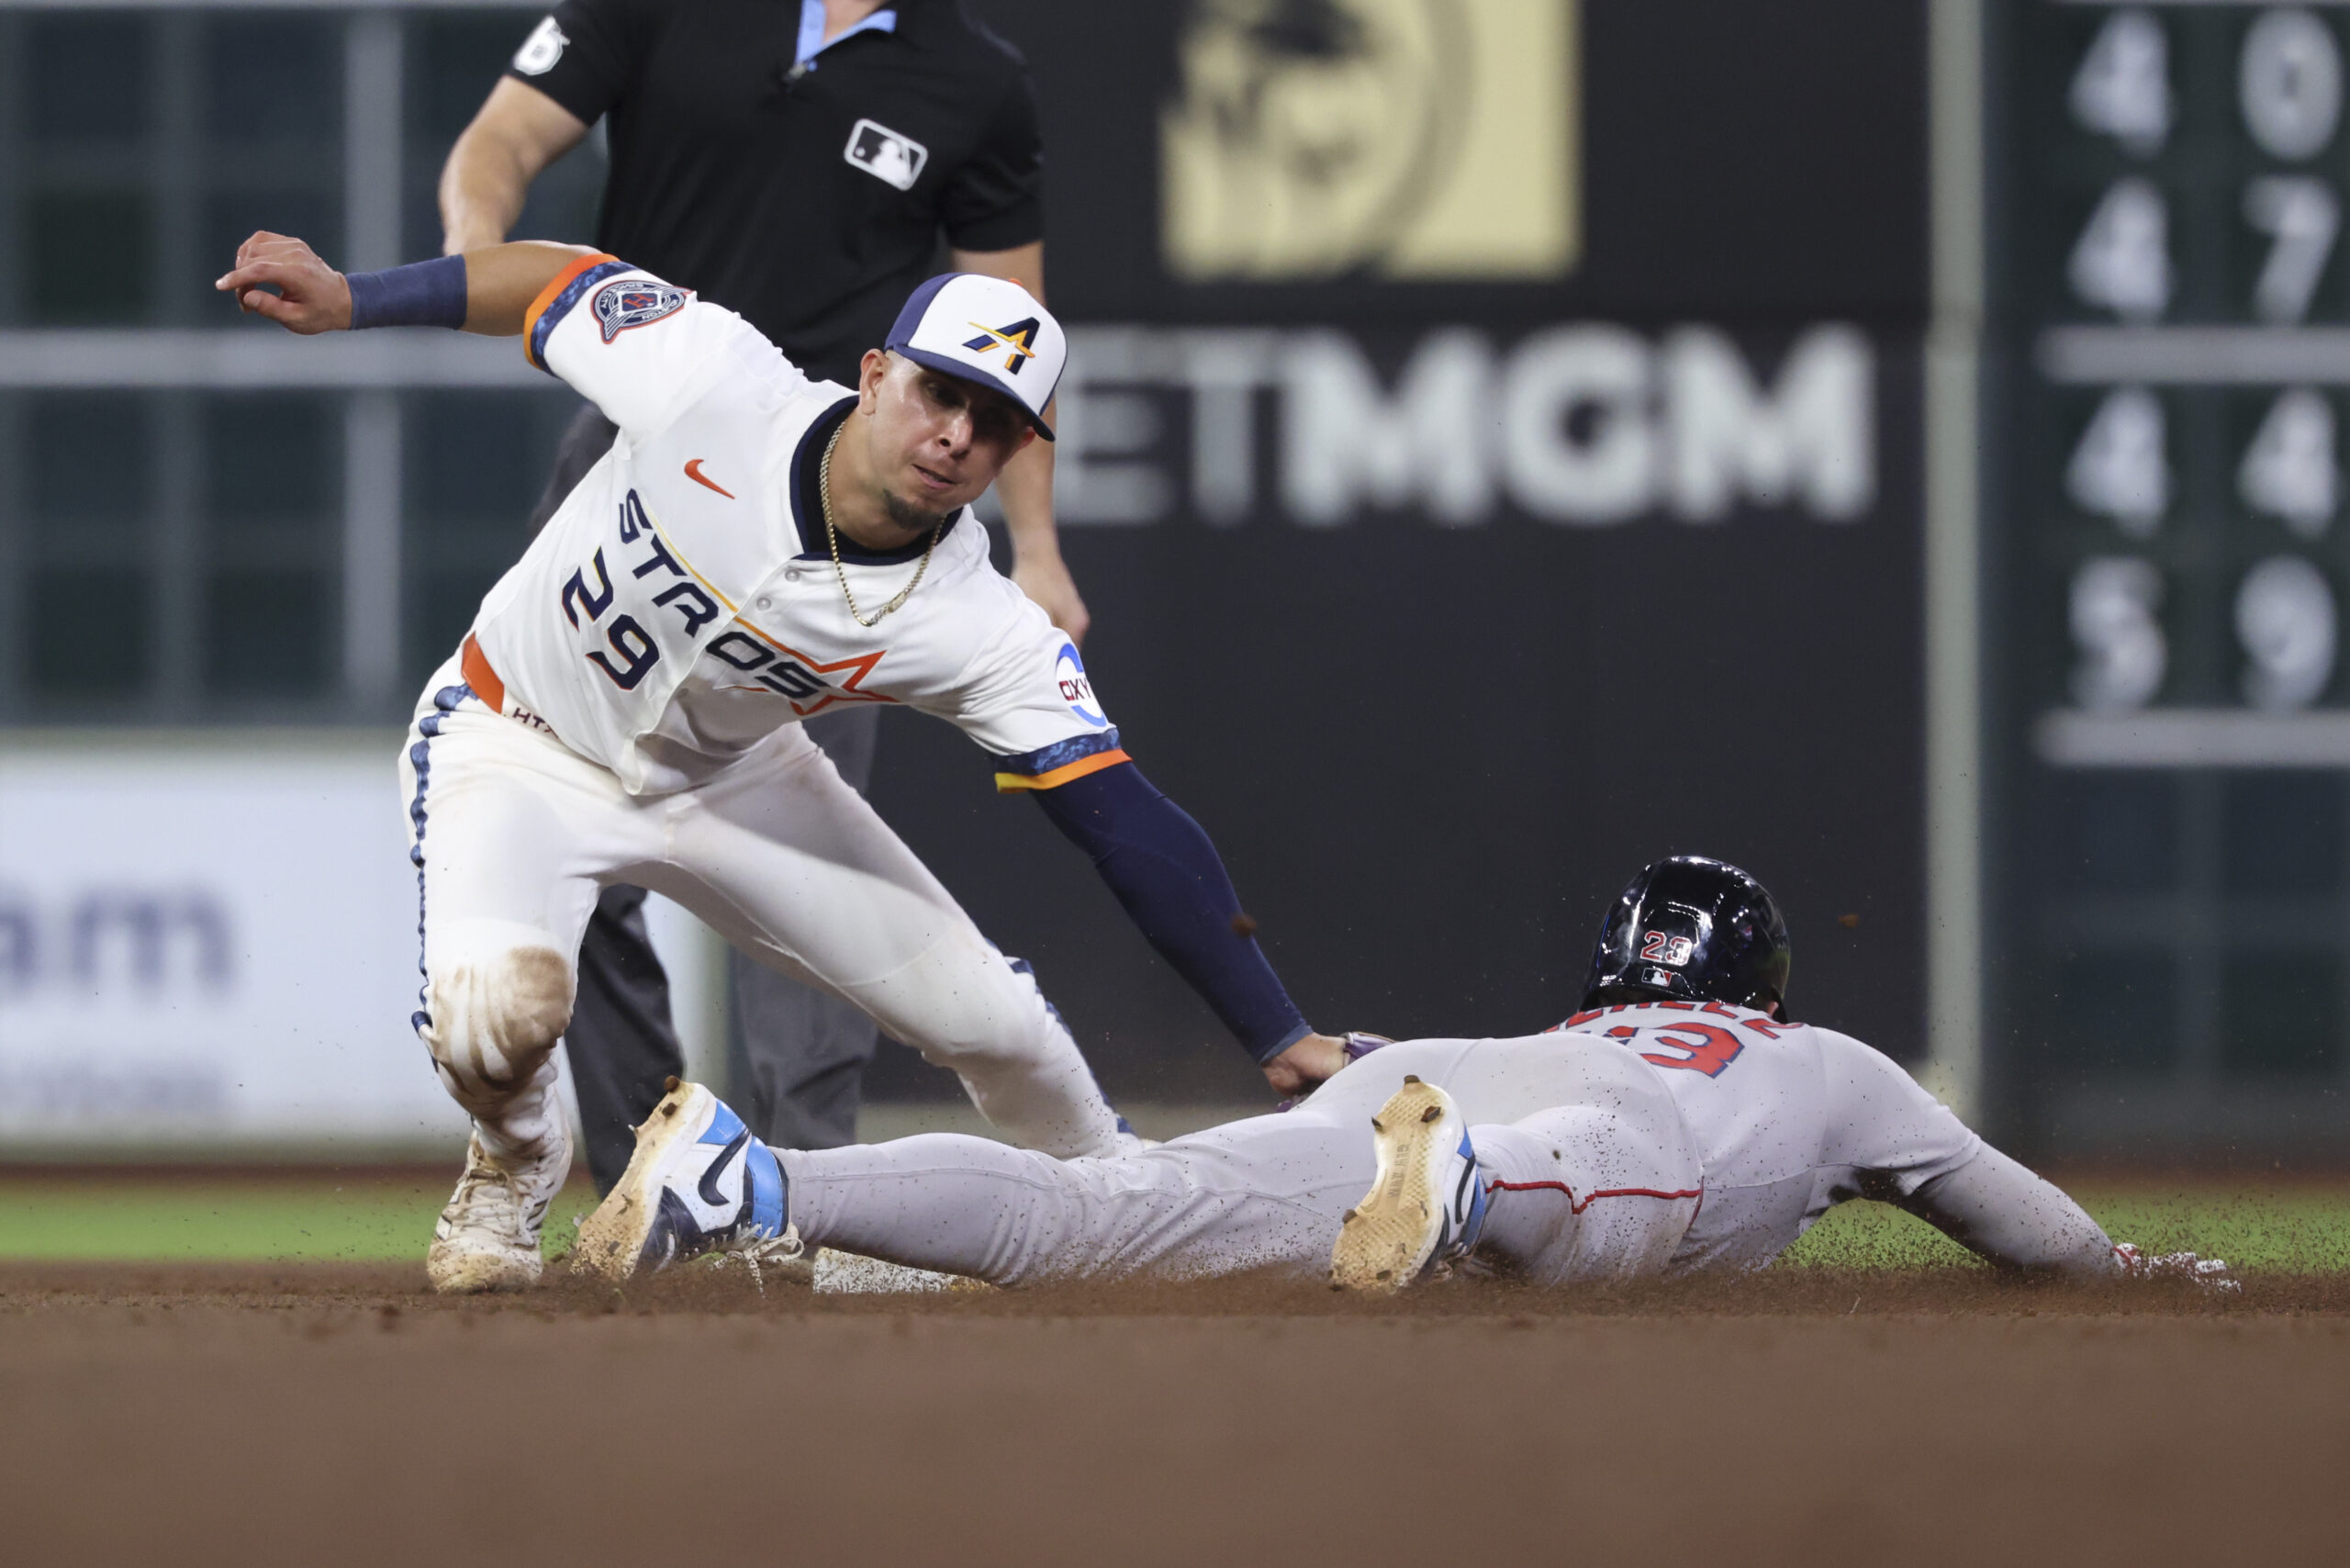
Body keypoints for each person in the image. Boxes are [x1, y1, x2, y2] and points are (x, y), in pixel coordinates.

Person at [214, 230, 1356, 1293]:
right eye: (939, 391)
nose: (957, 433)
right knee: (492, 1023)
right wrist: (356, 298)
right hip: (514, 741)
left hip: (734, 781)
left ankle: (1122, 1214)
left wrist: (1273, 1028)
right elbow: (556, 279)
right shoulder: (715, 377)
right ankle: (515, 1154)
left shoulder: (978, 619)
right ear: (872, 374)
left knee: (998, 1027)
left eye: (995, 421)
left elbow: (1122, 820)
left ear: (1018, 450)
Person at [440, 0, 1090, 1182]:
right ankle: (653, 1172)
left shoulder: (975, 78)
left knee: (804, 856)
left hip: (842, 499)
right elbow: (500, 143)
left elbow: (1014, 337)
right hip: (646, 444)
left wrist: (1035, 545)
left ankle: (797, 1188)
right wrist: (492, 272)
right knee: (553, 779)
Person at [570, 857, 2234, 1294]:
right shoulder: (1829, 1062)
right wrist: (2144, 1275)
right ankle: (1469, 1194)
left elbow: (1406, 1068)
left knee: (1114, 1207)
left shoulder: (1567, 1020)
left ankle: (755, 1179)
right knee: (1602, 1172)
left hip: (1432, 1071)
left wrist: (1370, 1081)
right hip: (1565, 1139)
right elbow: (2034, 1231)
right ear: (1760, 983)